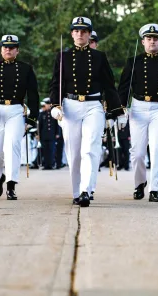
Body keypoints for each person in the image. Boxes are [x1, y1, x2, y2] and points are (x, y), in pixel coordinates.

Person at [49, 17, 125, 207]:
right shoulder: (63, 57)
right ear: (72, 34)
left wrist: (117, 111)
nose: (80, 34)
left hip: (93, 105)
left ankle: (86, 190)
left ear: (89, 34)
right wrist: (55, 105)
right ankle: (76, 191)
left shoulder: (99, 57)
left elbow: (109, 85)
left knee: (90, 148)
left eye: (84, 31)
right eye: (77, 31)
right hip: (70, 104)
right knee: (74, 152)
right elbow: (56, 84)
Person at [118, 24, 158, 202]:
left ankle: (154, 188)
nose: (152, 41)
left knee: (157, 148)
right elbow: (124, 88)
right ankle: (139, 183)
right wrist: (121, 110)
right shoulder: (134, 61)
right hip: (138, 106)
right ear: (143, 41)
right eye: (149, 38)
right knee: (137, 152)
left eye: (155, 39)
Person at [0, 35, 39, 200]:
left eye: (12, 47)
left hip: (16, 110)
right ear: (1, 49)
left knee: (13, 146)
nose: (8, 49)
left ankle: (11, 184)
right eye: (5, 47)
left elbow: (33, 95)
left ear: (17, 50)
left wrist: (32, 119)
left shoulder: (26, 69)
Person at [38, 97, 58, 170]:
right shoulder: (42, 114)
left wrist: (57, 133)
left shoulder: (53, 113)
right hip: (44, 135)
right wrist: (38, 135)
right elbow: (39, 126)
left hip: (52, 135)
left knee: (52, 151)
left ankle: (51, 164)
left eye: (48, 104)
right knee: (45, 151)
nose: (47, 106)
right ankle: (46, 165)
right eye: (46, 104)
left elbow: (57, 124)